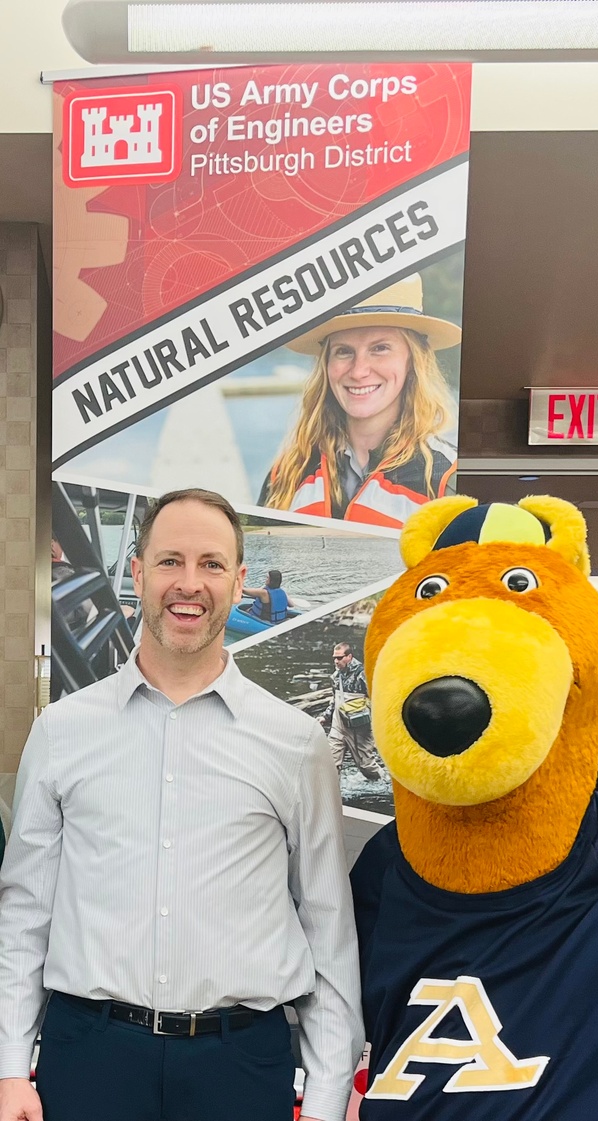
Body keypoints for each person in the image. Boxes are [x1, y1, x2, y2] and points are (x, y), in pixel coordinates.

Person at [0, 488, 363, 1121]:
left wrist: (329, 1097)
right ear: (137, 572)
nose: (189, 584)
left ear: (239, 579)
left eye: (211, 564)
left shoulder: (295, 743)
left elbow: (327, 927)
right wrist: (8, 1069)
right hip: (89, 1059)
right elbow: (25, 915)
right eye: (170, 561)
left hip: (242, 1067)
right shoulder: (62, 731)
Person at [259, 275, 460, 528]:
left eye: (380, 349)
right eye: (344, 351)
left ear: (412, 362)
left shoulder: (446, 479)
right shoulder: (287, 473)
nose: (358, 371)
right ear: (327, 365)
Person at [320, 643, 383, 782]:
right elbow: (335, 699)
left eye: (340, 658)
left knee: (366, 766)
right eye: (334, 658)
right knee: (331, 763)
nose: (336, 661)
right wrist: (325, 716)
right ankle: (333, 794)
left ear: (349, 656)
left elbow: (378, 698)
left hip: (359, 728)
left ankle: (386, 782)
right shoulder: (336, 676)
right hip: (338, 726)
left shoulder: (363, 674)